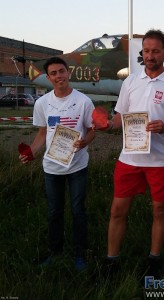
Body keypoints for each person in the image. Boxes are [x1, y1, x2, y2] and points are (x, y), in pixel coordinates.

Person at [94, 29, 164, 279]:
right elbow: (120, 116)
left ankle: (154, 259)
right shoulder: (131, 81)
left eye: (155, 51)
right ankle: (111, 261)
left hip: (163, 160)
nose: (150, 55)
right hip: (130, 158)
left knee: (159, 212)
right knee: (118, 211)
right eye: (146, 51)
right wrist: (107, 124)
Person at [19, 57, 95, 271]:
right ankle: (55, 252)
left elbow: (92, 130)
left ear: (68, 72)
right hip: (52, 167)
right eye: (53, 73)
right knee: (54, 212)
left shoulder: (83, 101)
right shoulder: (42, 103)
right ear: (49, 77)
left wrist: (84, 142)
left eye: (61, 71)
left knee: (78, 211)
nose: (59, 76)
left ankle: (80, 255)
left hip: (77, 165)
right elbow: (43, 133)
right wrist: (31, 152)